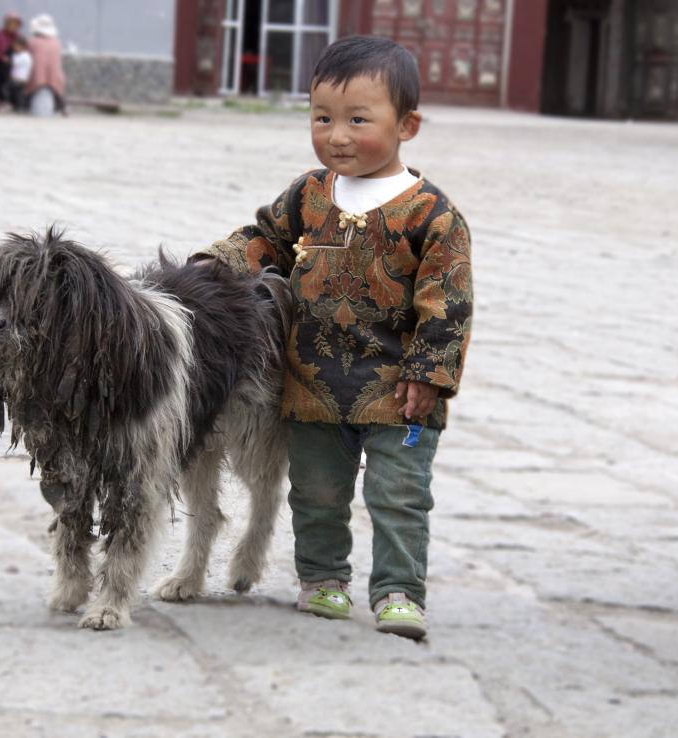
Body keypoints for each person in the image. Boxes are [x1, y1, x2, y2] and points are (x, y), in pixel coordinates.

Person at [192, 36, 472, 640]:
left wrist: (430, 374)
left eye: (358, 120)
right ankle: (322, 579)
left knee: (399, 493)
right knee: (316, 492)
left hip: (398, 391)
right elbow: (261, 238)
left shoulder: (433, 217)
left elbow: (447, 301)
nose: (337, 135)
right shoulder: (308, 196)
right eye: (322, 118)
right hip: (312, 383)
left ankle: (399, 590)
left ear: (409, 125)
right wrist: (213, 263)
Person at [25, 14, 66, 115]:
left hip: (37, 76)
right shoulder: (57, 43)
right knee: (56, 91)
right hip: (55, 76)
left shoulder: (32, 42)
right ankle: (62, 108)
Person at [0, 11, 23, 102]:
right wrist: (2, 57)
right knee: (5, 70)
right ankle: (4, 98)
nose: (14, 26)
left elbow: (23, 50)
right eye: (11, 23)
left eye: (16, 24)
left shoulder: (18, 36)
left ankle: (17, 100)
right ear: (6, 24)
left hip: (14, 62)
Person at [8, 36, 32, 112]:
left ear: (22, 46)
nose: (14, 48)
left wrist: (9, 58)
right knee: (18, 93)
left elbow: (14, 63)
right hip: (19, 78)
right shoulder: (23, 55)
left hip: (20, 78)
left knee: (8, 89)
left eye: (16, 46)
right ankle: (18, 106)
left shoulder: (24, 56)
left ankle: (15, 105)